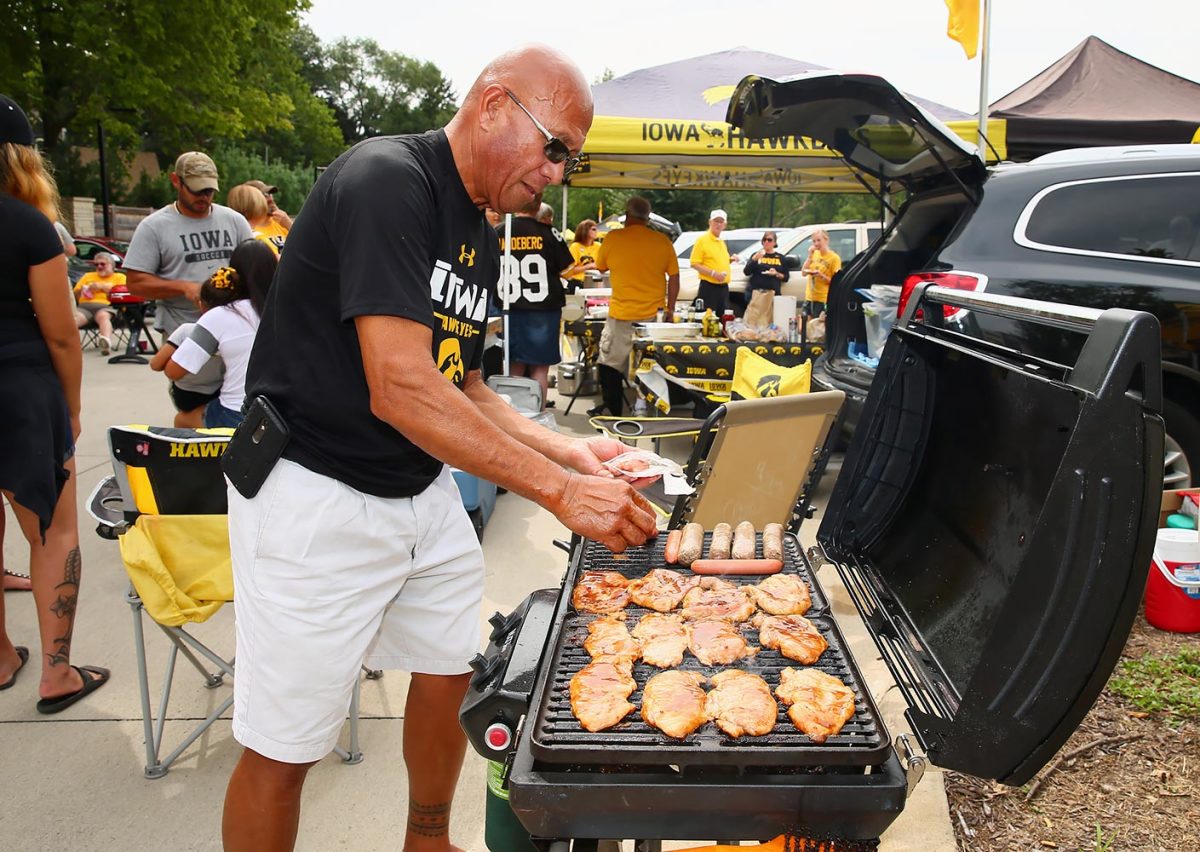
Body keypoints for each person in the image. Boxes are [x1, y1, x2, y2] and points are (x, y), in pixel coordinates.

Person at [221, 45, 656, 852]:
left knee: (453, 661)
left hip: (417, 488)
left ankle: (428, 838)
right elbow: (400, 385)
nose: (559, 174)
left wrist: (568, 453)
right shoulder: (390, 180)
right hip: (313, 488)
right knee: (285, 748)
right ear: (493, 106)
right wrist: (560, 495)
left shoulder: (480, 231)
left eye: (573, 158)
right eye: (554, 147)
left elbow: (465, 386)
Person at [0, 94, 109, 712]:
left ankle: (0, 657)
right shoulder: (27, 225)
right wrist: (70, 407)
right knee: (53, 532)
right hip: (20, 388)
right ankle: (56, 673)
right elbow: (63, 331)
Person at [122, 151, 252, 423]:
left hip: (235, 347)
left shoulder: (234, 221)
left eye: (210, 190)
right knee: (195, 420)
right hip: (190, 342)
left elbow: (253, 270)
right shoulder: (155, 227)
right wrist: (182, 287)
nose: (204, 197)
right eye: (196, 190)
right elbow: (134, 283)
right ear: (176, 181)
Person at [160, 240, 276, 428]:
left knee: (182, 420)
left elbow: (174, 371)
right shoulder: (293, 308)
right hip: (288, 412)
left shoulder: (220, 315)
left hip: (238, 412)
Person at [591, 196, 679, 417]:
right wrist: (671, 310)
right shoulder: (662, 241)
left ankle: (613, 411)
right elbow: (674, 279)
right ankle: (643, 405)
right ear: (648, 219)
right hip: (653, 317)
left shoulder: (613, 238)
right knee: (648, 365)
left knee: (609, 363)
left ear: (627, 216)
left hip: (621, 315)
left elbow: (600, 268)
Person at [495, 193, 575, 408]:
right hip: (543, 310)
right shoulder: (548, 233)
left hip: (508, 308)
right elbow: (568, 270)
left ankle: (513, 414)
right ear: (539, 205)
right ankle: (537, 414)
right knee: (540, 367)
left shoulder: (499, 232)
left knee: (513, 364)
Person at [72, 252, 124, 354]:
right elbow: (76, 295)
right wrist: (81, 290)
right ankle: (71, 346)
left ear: (111, 265)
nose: (99, 266)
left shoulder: (119, 277)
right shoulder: (87, 276)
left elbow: (121, 293)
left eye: (103, 264)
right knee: (74, 319)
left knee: (103, 316)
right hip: (85, 307)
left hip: (107, 306)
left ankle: (105, 343)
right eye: (96, 264)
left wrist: (102, 287)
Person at [689, 208, 732, 314]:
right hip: (709, 286)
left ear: (724, 225)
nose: (718, 224)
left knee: (723, 317)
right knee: (707, 317)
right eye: (716, 221)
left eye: (721, 222)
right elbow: (694, 263)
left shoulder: (721, 242)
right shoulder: (702, 240)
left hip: (723, 287)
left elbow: (717, 261)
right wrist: (713, 273)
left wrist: (730, 260)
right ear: (710, 222)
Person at [226, 184, 280, 256]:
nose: (270, 199)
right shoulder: (259, 239)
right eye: (264, 197)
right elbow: (279, 263)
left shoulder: (231, 235)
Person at [801, 228, 842, 317]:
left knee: (818, 327)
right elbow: (803, 273)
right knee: (805, 325)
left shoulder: (834, 258)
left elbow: (836, 282)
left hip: (822, 298)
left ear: (826, 240)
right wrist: (809, 256)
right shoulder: (814, 254)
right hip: (810, 297)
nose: (816, 244)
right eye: (814, 241)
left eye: (819, 240)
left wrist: (821, 275)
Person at [743, 231, 789, 296]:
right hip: (756, 292)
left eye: (769, 240)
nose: (766, 242)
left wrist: (776, 273)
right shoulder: (756, 255)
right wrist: (754, 259)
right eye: (764, 240)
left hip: (773, 293)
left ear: (774, 243)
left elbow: (786, 277)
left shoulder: (780, 258)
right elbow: (746, 272)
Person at [566, 218, 600, 290]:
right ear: (585, 231)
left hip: (594, 282)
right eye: (593, 229)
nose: (597, 231)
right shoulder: (575, 247)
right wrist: (587, 267)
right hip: (577, 283)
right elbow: (569, 270)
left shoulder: (598, 246)